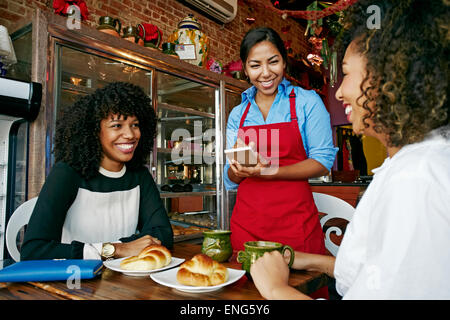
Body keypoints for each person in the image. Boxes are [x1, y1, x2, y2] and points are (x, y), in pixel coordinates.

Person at [250, 0, 449, 299]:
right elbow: (378, 271)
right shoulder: (408, 165)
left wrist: (274, 288)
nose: (340, 91)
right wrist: (313, 261)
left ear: (387, 76)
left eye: (347, 74)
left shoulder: (417, 180)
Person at [21, 82, 173, 261]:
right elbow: (33, 250)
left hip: (122, 281)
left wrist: (120, 248)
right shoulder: (67, 173)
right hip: (74, 282)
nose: (131, 135)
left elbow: (163, 234)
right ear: (94, 131)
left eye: (135, 125)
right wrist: (115, 249)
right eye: (117, 125)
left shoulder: (140, 176)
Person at [224, 27, 338, 257]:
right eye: (255, 65)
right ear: (246, 69)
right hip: (247, 226)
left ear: (284, 62)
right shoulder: (239, 113)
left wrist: (269, 171)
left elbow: (322, 161)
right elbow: (230, 177)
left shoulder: (307, 102)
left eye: (273, 62)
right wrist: (238, 170)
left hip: (295, 225)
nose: (265, 73)